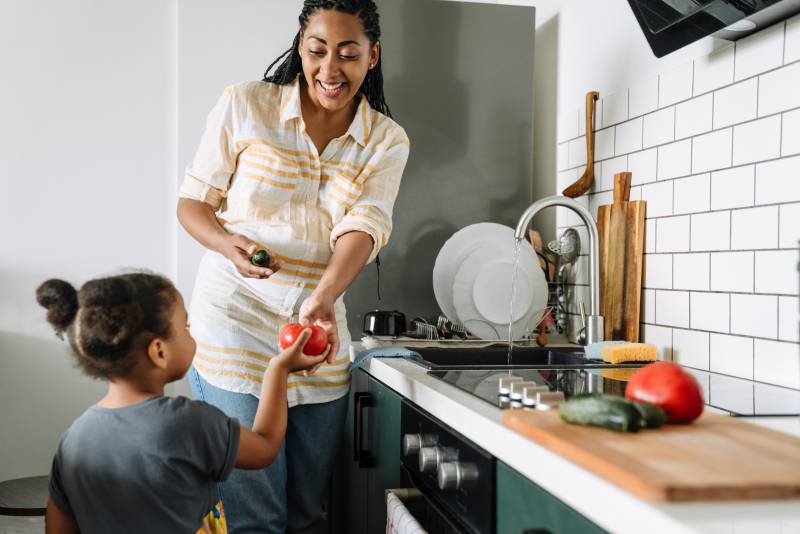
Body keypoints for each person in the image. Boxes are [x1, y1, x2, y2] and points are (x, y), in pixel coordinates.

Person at [176, 0, 408, 531]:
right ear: (300, 48)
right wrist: (226, 241)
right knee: (253, 511)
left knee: (306, 512)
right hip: (234, 325)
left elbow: (365, 223)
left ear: (372, 57)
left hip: (316, 334)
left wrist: (324, 295)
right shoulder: (246, 105)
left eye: (348, 54)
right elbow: (193, 203)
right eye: (317, 50)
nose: (331, 70)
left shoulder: (386, 140)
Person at [36, 273, 328, 534]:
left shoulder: (73, 439)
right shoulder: (190, 423)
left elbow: (59, 528)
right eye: (186, 327)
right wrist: (278, 370)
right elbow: (264, 448)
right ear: (158, 351)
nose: (191, 334)